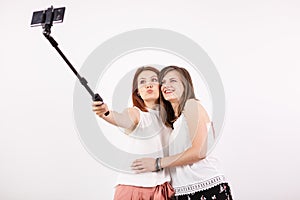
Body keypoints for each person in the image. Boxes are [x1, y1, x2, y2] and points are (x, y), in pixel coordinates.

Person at [131, 66, 233, 200]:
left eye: (173, 80)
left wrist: (157, 163)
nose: (166, 85)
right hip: (183, 192)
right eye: (163, 82)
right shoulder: (175, 122)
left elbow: (199, 152)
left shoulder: (192, 105)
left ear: (185, 85)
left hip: (206, 188)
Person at [92, 66, 174, 200]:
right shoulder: (136, 113)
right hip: (133, 189)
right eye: (142, 82)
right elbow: (121, 118)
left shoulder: (170, 119)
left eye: (154, 80)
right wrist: (105, 113)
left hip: (163, 188)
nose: (148, 84)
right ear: (138, 93)